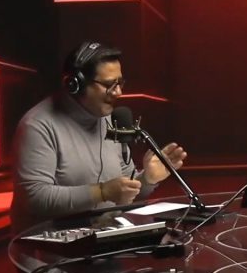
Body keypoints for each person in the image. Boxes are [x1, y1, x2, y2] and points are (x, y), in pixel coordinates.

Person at [10, 40, 187, 233]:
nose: (118, 92)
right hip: (50, 247)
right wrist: (101, 192)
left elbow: (123, 192)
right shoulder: (38, 125)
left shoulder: (108, 119)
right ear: (76, 84)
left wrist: (148, 179)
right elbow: (35, 198)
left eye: (120, 83)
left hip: (105, 239)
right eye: (109, 85)